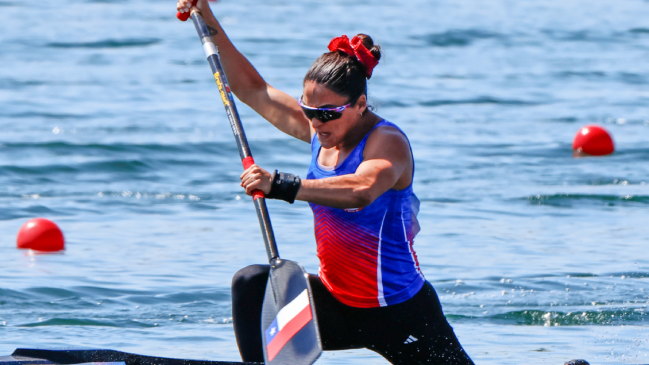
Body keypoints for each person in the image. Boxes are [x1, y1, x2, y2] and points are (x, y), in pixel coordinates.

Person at [177, 1, 475, 364]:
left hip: (399, 313)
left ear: (360, 104)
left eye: (327, 114)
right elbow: (253, 90)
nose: (316, 123)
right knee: (251, 283)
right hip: (334, 306)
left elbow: (361, 189)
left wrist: (283, 185)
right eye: (308, 111)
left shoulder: (387, 142)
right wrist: (207, 18)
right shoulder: (323, 132)